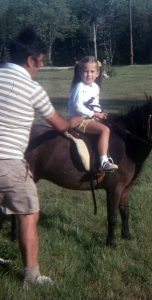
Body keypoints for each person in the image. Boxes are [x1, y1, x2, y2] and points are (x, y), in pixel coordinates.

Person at [0, 28, 82, 286]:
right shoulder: (32, 88)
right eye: (41, 60)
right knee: (28, 214)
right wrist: (74, 120)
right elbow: (59, 124)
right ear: (29, 61)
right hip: (8, 162)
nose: (42, 65)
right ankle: (31, 276)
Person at [68, 56, 118, 172]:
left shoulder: (95, 87)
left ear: (97, 73)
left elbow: (95, 104)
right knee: (104, 130)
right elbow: (77, 107)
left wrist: (100, 113)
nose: (89, 74)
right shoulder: (80, 88)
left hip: (90, 117)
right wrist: (94, 114)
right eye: (85, 71)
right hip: (78, 120)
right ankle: (103, 162)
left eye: (92, 71)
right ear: (80, 73)